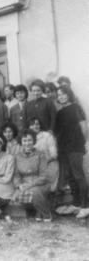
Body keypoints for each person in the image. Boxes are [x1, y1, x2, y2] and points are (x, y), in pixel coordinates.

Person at [54, 86, 89, 218]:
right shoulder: (60, 112)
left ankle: (86, 206)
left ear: (69, 94)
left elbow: (84, 128)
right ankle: (77, 203)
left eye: (63, 94)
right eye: (59, 95)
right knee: (70, 177)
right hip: (63, 148)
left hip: (75, 147)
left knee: (79, 176)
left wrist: (81, 144)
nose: (61, 97)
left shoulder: (76, 108)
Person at [13, 129, 52, 222]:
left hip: (40, 184)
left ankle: (46, 214)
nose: (27, 143)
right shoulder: (17, 156)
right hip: (25, 185)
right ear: (21, 142)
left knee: (34, 191)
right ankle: (38, 210)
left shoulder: (41, 154)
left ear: (34, 141)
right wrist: (19, 185)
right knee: (16, 195)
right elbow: (16, 175)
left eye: (30, 140)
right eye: (24, 141)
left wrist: (29, 185)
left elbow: (44, 176)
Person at [29, 117, 59, 191]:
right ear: (29, 127)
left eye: (37, 124)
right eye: (32, 125)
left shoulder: (47, 136)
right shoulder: (28, 138)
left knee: (47, 186)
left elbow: (54, 154)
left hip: (50, 164)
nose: (35, 126)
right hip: (35, 168)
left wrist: (43, 162)